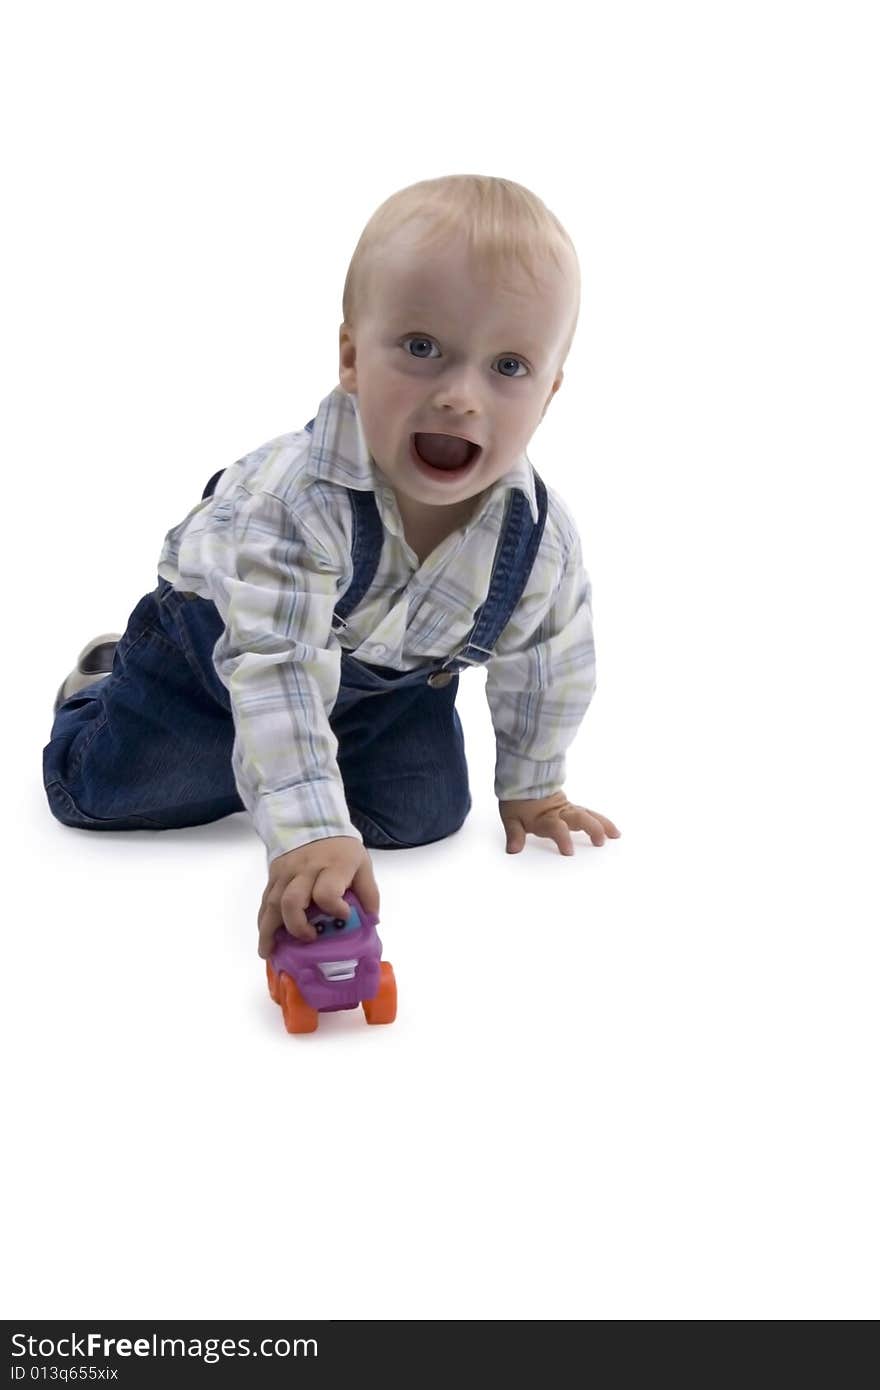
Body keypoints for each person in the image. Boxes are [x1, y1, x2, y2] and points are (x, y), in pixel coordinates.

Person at [43, 173, 621, 959]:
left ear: (550, 393)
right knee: (108, 793)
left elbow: (552, 659)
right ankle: (104, 688)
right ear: (352, 356)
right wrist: (309, 836)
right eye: (422, 349)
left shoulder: (537, 537)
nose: (460, 396)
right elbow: (277, 664)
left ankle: (288, 763)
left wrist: (534, 782)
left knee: (424, 817)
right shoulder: (293, 502)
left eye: (508, 368)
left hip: (383, 688)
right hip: (216, 653)